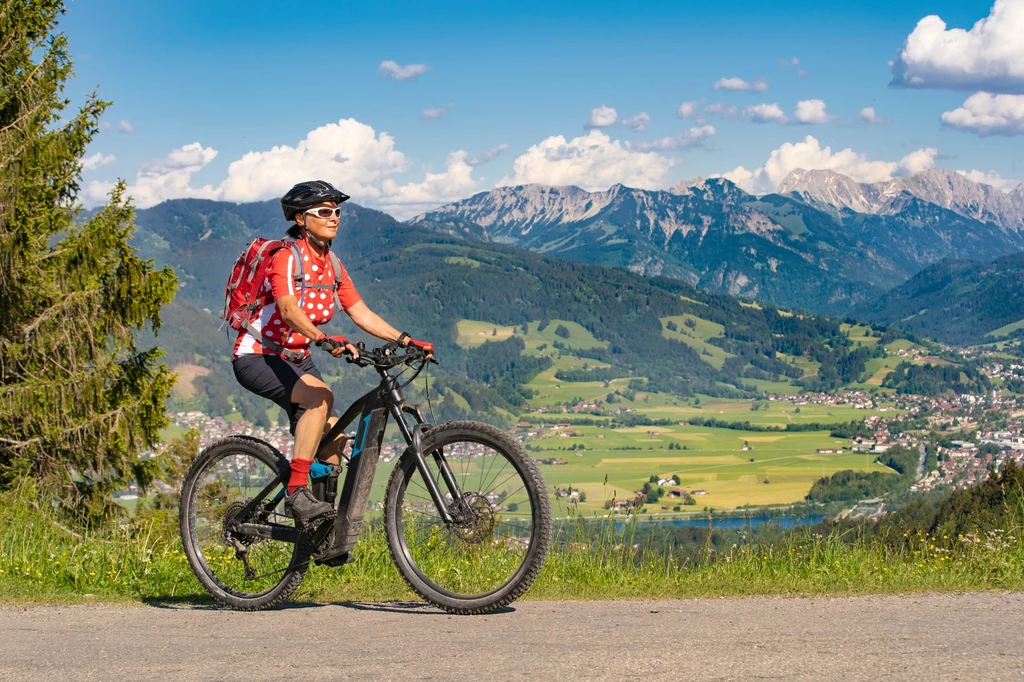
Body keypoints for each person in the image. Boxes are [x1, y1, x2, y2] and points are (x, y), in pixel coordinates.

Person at [231, 180, 434, 526]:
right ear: (300, 219)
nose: (334, 217)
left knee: (334, 442)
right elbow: (288, 309)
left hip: (296, 358)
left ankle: (321, 530)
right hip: (258, 355)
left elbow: (361, 312)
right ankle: (296, 495)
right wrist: (322, 337)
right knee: (320, 398)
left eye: (337, 211)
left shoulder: (333, 265)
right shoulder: (286, 257)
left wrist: (405, 340)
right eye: (324, 212)